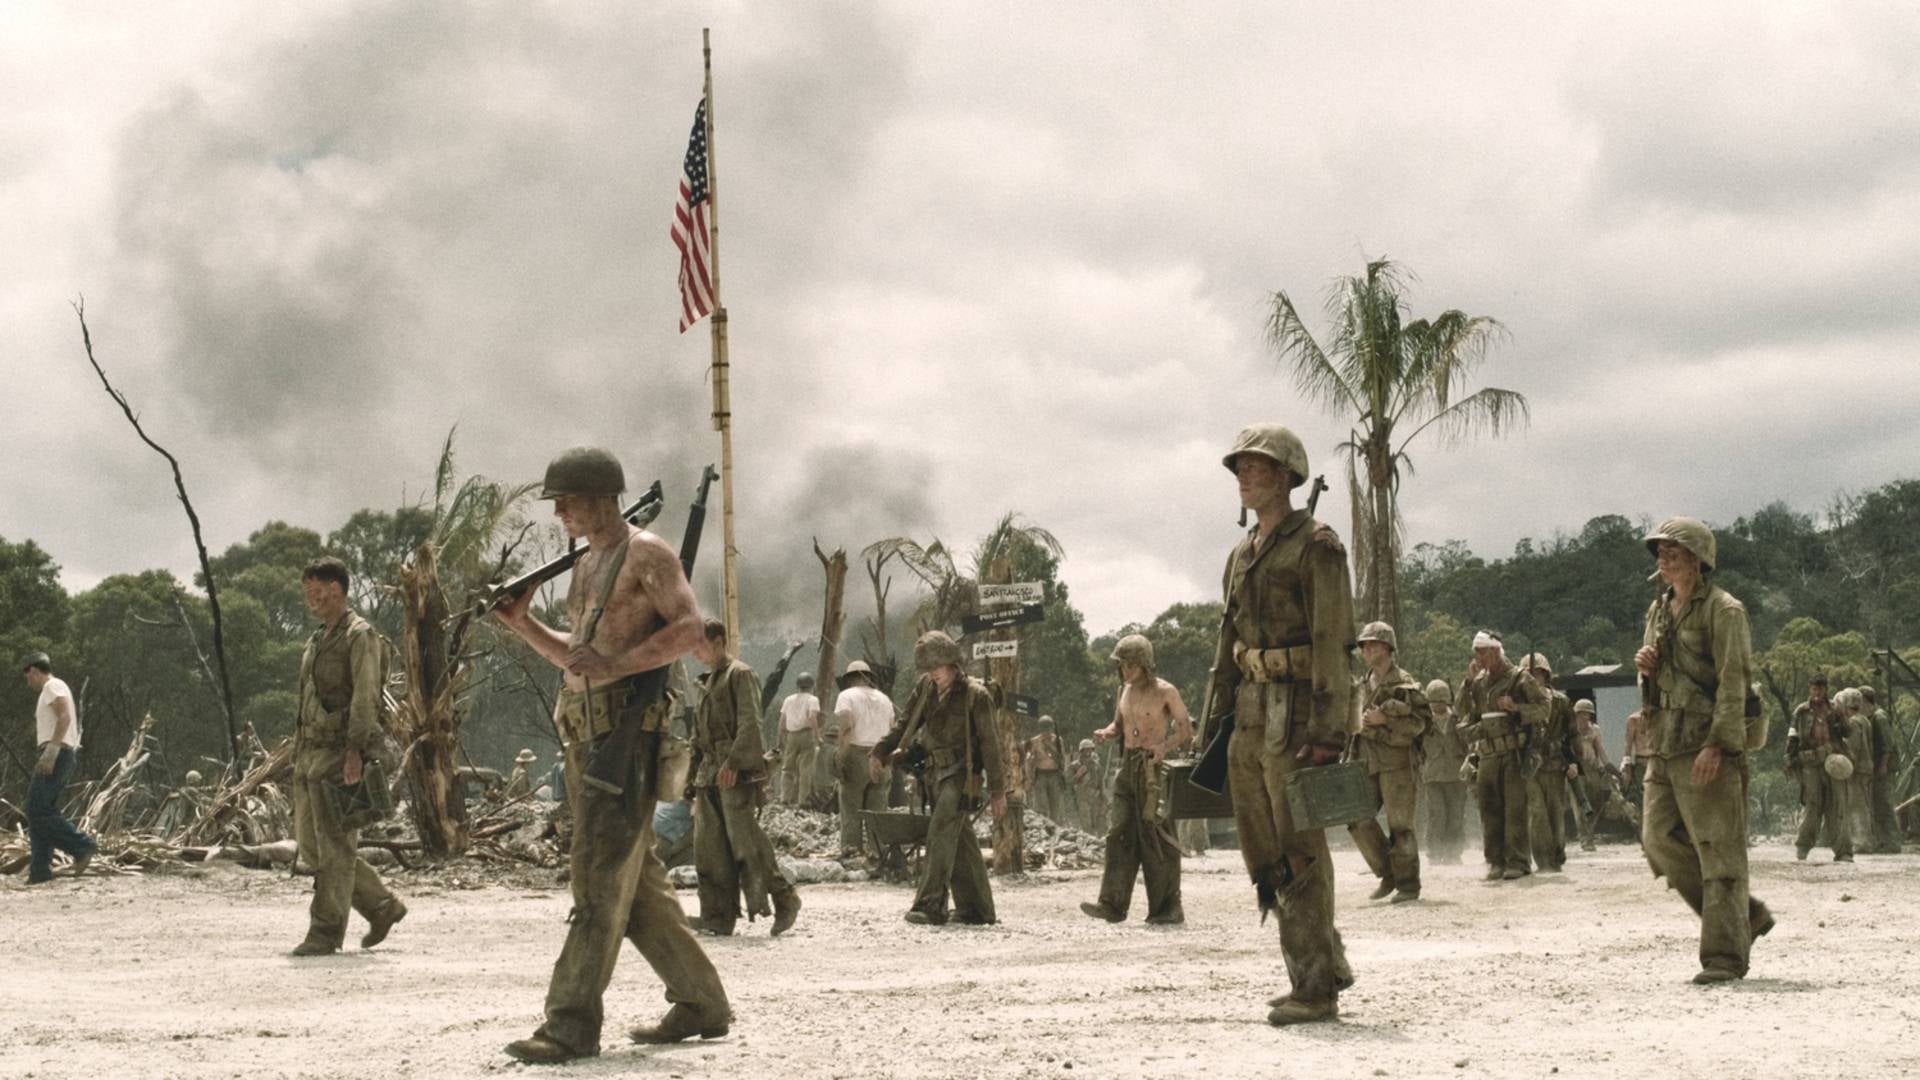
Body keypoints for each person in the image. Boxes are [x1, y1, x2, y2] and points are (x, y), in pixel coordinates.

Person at [492, 446, 730, 1064]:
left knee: (597, 880)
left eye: (566, 500)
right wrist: (522, 623)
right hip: (588, 736)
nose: (559, 512)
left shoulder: (646, 553)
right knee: (638, 885)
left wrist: (618, 665)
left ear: (602, 497)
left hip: (625, 736)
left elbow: (690, 628)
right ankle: (702, 1002)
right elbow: (579, 657)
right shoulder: (587, 562)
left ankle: (569, 1025)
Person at [1205, 424, 1356, 1026]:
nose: (1244, 475)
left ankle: (1315, 989)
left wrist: (1328, 730)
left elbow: (1332, 642)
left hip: (1296, 713)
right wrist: (1216, 720)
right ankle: (1324, 964)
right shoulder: (1241, 554)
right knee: (1263, 853)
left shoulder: (1317, 546)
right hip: (1249, 715)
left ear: (1287, 475)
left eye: (1257, 466)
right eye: (1239, 467)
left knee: (1299, 850)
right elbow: (1228, 640)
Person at [1636, 517, 1774, 985]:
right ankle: (1745, 917)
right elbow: (1657, 674)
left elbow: (1735, 683)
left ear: (1697, 559)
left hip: (1705, 741)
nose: (1663, 559)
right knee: (1657, 839)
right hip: (1665, 741)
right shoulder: (1658, 611)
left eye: (1672, 551)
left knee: (1719, 851)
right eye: (1660, 552)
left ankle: (1725, 956)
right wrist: (1646, 668)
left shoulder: (1724, 611)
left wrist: (1718, 744)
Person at [288, 558, 406, 955]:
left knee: (335, 847)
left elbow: (365, 697)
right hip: (310, 754)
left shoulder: (360, 636)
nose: (311, 600)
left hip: (339, 753)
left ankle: (324, 933)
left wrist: (355, 750)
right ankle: (382, 906)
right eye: (307, 593)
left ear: (336, 590)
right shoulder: (318, 638)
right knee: (312, 848)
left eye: (316, 592)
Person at [871, 631, 1007, 925]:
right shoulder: (925, 689)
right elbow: (905, 724)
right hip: (933, 775)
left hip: (961, 776)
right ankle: (977, 909)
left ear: (953, 663)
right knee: (959, 841)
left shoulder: (976, 695)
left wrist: (998, 791)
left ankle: (930, 905)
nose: (933, 673)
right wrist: (879, 751)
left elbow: (991, 745)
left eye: (938, 666)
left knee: (940, 832)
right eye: (928, 668)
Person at [687, 619, 800, 937]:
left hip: (733, 772)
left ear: (718, 641)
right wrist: (690, 778)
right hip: (708, 773)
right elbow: (699, 733)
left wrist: (735, 762)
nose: (695, 652)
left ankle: (784, 898)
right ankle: (717, 916)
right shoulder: (708, 681)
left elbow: (751, 722)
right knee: (709, 847)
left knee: (745, 843)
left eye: (700, 645)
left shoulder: (740, 674)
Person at [1081, 634, 1191, 926]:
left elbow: (1185, 728)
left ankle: (1168, 908)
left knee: (1156, 836)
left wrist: (1164, 747)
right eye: (1121, 665)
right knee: (1119, 832)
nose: (1125, 671)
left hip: (1153, 769)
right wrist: (1107, 733)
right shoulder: (1124, 691)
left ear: (1145, 664)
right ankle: (1112, 904)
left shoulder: (1166, 691)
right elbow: (1118, 725)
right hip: (1127, 768)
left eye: (1130, 665)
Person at [1345, 622, 1430, 903]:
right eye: (1364, 646)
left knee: (1400, 826)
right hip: (1365, 762)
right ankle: (1388, 872)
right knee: (1356, 817)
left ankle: (1408, 884)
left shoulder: (1405, 684)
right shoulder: (1360, 685)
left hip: (1397, 763)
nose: (1367, 650)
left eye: (1373, 644)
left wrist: (1385, 721)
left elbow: (1420, 723)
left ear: (1387, 647)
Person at [1457, 632, 1548, 880]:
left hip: (1512, 753)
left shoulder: (1520, 678)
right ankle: (1495, 861)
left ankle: (1517, 861)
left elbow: (1544, 707)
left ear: (1496, 651)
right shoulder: (1478, 683)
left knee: (1514, 808)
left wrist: (1516, 708)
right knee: (1489, 809)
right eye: (1476, 652)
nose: (1478, 657)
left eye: (1482, 651)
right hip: (1487, 754)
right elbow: (1462, 711)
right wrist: (1467, 683)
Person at [21, 652, 97, 884]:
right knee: (41, 810)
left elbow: (64, 717)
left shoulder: (52, 686)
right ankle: (39, 871)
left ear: (34, 671)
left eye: (28, 677)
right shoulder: (53, 688)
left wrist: (52, 751)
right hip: (59, 751)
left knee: (35, 808)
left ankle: (82, 846)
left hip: (58, 752)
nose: (28, 683)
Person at [1520, 652, 1578, 873]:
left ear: (1546, 674)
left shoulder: (1561, 702)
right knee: (1537, 812)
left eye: (1537, 673)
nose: (1534, 678)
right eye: (1528, 674)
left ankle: (1557, 857)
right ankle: (1543, 861)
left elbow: (1572, 734)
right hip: (1529, 765)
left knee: (1556, 811)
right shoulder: (1520, 703)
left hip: (1555, 763)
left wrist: (1574, 762)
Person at [1786, 674, 1853, 863]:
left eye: (1821, 689)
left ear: (1825, 689)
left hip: (1833, 761)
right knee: (1812, 806)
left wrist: (1840, 720)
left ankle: (1843, 852)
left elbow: (1848, 732)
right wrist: (1789, 759)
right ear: (1810, 689)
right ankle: (1803, 848)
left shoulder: (1834, 709)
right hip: (1810, 762)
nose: (1817, 692)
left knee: (1837, 806)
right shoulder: (1801, 711)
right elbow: (1792, 736)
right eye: (1814, 688)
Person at [832, 659, 894, 859]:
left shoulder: (846, 696)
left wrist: (840, 756)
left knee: (851, 806)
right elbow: (893, 730)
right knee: (878, 810)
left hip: (857, 753)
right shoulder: (885, 699)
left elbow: (847, 727)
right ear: (868, 678)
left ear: (850, 679)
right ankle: (878, 851)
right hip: (881, 756)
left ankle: (852, 851)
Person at [1418, 678, 1470, 864]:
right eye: (1433, 702)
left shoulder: (1457, 720)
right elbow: (1418, 749)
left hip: (1456, 774)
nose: (1437, 706)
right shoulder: (1424, 723)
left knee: (1456, 814)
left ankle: (1453, 853)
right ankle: (1434, 853)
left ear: (1447, 700)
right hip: (1433, 776)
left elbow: (1467, 745)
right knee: (1436, 814)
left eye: (1441, 701)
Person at [1571, 700, 1630, 851]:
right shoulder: (1570, 729)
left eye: (1588, 714)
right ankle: (1585, 839)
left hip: (1592, 769)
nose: (1585, 717)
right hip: (1576, 769)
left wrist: (1614, 771)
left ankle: (1589, 834)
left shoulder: (1594, 730)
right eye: (1582, 714)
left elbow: (1601, 752)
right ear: (1576, 714)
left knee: (1596, 802)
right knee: (1580, 804)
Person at [1860, 686, 1904, 853]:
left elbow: (1887, 745)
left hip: (1884, 768)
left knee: (1885, 804)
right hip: (1878, 767)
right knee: (1877, 805)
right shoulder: (1872, 717)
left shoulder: (1879, 717)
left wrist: (1883, 765)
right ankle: (1882, 841)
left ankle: (1892, 842)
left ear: (1866, 701)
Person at [777, 672, 821, 807]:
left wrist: (780, 737)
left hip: (791, 735)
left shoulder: (788, 699)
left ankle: (784, 798)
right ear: (812, 686)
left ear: (798, 686)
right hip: (806, 734)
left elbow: (782, 721)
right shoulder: (813, 699)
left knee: (787, 768)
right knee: (805, 768)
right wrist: (817, 735)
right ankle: (803, 800)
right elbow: (812, 717)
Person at [1024, 716, 1072, 825]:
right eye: (1045, 729)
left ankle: (1054, 826)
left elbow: (1062, 757)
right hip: (1041, 775)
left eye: (1049, 729)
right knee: (1041, 805)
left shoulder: (1058, 740)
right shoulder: (1035, 741)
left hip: (1055, 775)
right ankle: (1044, 826)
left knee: (1055, 804)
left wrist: (1063, 773)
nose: (1047, 732)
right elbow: (1028, 760)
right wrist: (1029, 777)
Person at [1068, 739, 1107, 834]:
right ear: (1081, 750)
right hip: (1082, 795)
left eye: (1090, 749)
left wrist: (1103, 795)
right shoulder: (1074, 765)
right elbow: (1069, 782)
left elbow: (1101, 781)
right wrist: (1078, 774)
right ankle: (1089, 839)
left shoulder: (1096, 765)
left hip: (1095, 795)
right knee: (1086, 821)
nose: (1088, 752)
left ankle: (1098, 839)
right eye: (1086, 749)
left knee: (1097, 820)